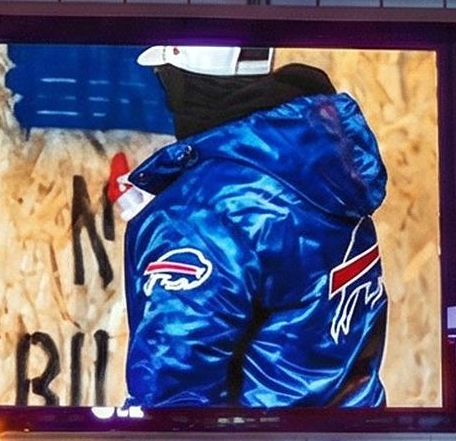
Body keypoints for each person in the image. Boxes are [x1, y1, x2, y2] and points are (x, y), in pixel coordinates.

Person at [119, 45, 389, 409]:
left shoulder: (201, 214)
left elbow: (173, 405)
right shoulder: (321, 169)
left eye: (165, 79)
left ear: (184, 81)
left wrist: (179, 220)